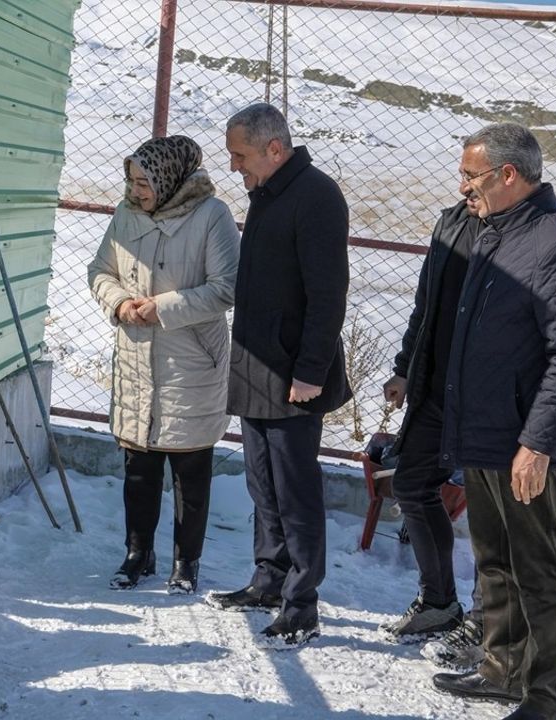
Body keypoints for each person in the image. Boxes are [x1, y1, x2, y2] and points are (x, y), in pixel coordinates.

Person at [429, 123, 556, 720]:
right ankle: (501, 670)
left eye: (471, 176)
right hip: (481, 431)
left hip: (523, 442)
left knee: (538, 570)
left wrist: (537, 443)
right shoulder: (492, 233)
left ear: (509, 175)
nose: (463, 188)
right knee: (493, 560)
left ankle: (545, 696)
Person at [203, 103, 351, 647]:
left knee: (296, 491)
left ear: (274, 148)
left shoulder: (316, 195)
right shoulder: (268, 193)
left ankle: (301, 603)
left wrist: (310, 371)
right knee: (262, 484)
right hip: (257, 366)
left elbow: (328, 293)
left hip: (293, 374)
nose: (235, 167)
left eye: (240, 156)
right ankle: (268, 580)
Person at [88, 135, 240, 595]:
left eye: (144, 183)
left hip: (191, 361)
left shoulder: (211, 216)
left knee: (190, 470)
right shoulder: (126, 214)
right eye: (132, 181)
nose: (136, 191)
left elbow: (226, 287)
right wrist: (119, 304)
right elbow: (100, 271)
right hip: (137, 359)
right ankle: (138, 553)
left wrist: (163, 307)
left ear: (169, 178)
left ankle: (186, 561)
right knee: (139, 467)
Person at [377, 183, 487, 644]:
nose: (463, 185)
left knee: (489, 513)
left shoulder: (520, 235)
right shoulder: (452, 222)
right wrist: (404, 370)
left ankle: (489, 630)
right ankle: (439, 602)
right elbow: (425, 307)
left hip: (485, 399)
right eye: (461, 172)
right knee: (411, 484)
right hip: (434, 389)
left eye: (473, 174)